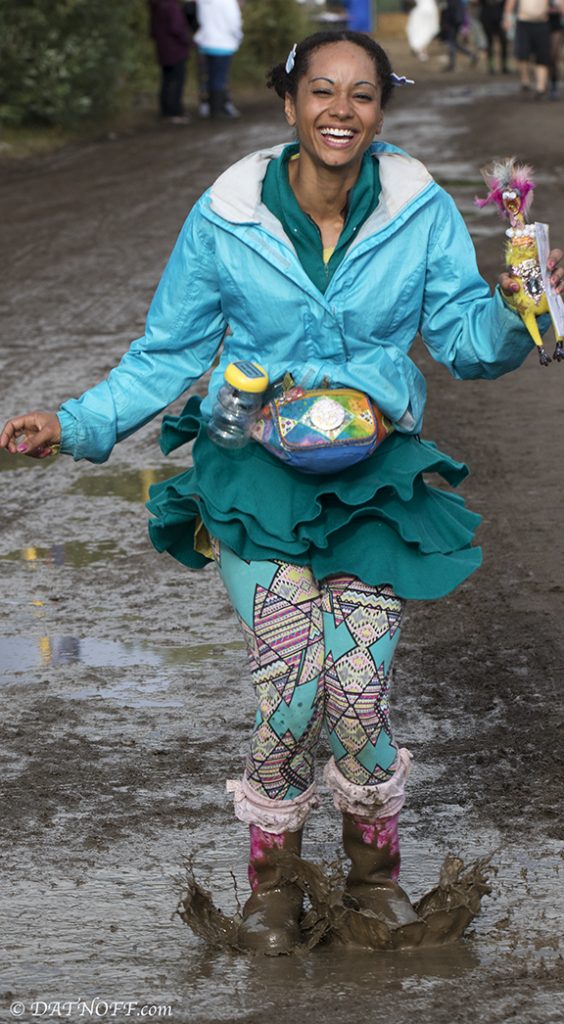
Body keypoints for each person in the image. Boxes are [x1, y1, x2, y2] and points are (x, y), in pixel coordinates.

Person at [2, 30, 563, 957]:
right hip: (253, 477)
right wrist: (76, 421)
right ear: (290, 102)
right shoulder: (227, 215)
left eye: (363, 95)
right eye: (321, 92)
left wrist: (516, 311)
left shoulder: (415, 208)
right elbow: (171, 350)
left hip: (376, 481)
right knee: (293, 682)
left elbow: (464, 338)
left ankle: (374, 882)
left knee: (357, 688)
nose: (341, 110)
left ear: (383, 108)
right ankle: (273, 890)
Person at [193, 0, 243, 118]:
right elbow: (234, 23)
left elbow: (198, 18)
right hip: (223, 44)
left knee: (207, 77)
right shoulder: (228, 2)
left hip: (205, 42)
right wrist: (239, 37)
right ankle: (217, 110)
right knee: (219, 78)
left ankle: (208, 107)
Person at [502, 0, 561, 96]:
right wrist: (507, 18)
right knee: (522, 53)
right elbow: (510, 2)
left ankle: (540, 87)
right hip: (524, 22)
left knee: (543, 57)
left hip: (542, 23)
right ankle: (525, 80)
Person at [148, 0, 192, 123]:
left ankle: (166, 110)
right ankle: (175, 111)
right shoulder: (172, 6)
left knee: (167, 80)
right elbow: (177, 27)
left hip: (162, 49)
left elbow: (152, 30)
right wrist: (188, 41)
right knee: (178, 81)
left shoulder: (155, 6)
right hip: (176, 50)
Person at [478, 0, 509, 72]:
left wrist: (507, 17)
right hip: (487, 18)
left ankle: (504, 65)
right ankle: (491, 66)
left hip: (500, 18)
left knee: (504, 41)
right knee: (490, 42)